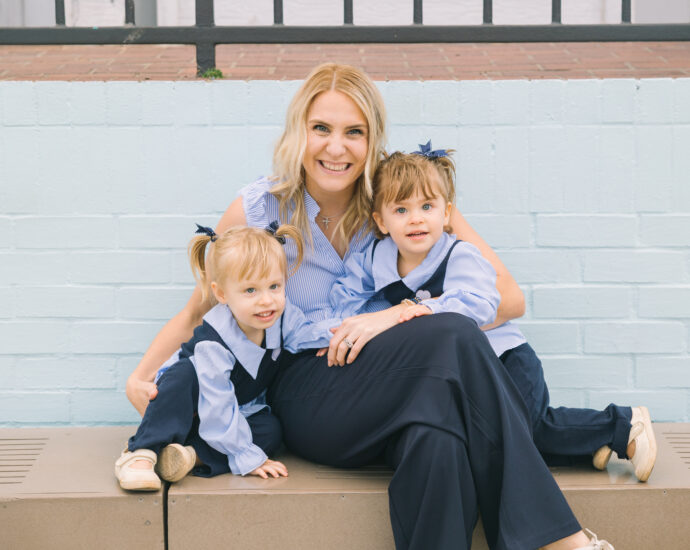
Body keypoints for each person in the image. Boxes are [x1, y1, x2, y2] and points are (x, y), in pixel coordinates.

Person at [126, 63, 614, 549]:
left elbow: (509, 299)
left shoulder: (403, 198)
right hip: (309, 390)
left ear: (372, 138)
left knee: (438, 439)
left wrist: (392, 315)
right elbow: (201, 310)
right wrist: (141, 376)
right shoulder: (259, 207)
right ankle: (558, 540)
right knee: (452, 334)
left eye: (353, 132)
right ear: (298, 132)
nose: (336, 148)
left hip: (395, 380)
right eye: (321, 128)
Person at [330, 145, 657, 484]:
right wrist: (343, 330)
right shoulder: (375, 259)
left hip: (505, 357)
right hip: (463, 371)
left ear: (446, 213)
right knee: (487, 439)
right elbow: (346, 296)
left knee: (525, 427)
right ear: (381, 221)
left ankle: (622, 425)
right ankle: (589, 446)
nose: (416, 218)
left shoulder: (459, 255)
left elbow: (479, 302)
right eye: (401, 209)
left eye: (427, 206)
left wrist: (421, 309)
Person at [116, 224, 339, 491]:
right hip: (188, 407)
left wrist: (336, 334)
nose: (266, 300)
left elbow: (303, 333)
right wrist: (246, 456)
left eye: (274, 286)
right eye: (250, 290)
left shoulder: (281, 317)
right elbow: (216, 404)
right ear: (221, 294)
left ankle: (187, 456)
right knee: (182, 376)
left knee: (270, 430)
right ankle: (142, 452)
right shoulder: (214, 342)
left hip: (228, 412)